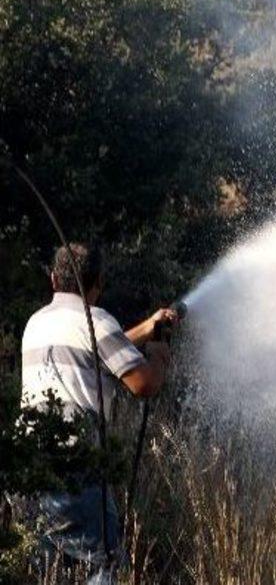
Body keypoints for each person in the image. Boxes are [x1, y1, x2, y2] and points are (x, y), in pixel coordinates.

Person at [21, 242, 177, 583]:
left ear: (52, 279)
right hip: (77, 468)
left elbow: (94, 348)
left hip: (30, 470)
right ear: (98, 284)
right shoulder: (98, 320)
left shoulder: (36, 323)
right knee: (101, 566)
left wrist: (146, 326)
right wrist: (159, 355)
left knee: (48, 571)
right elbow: (144, 384)